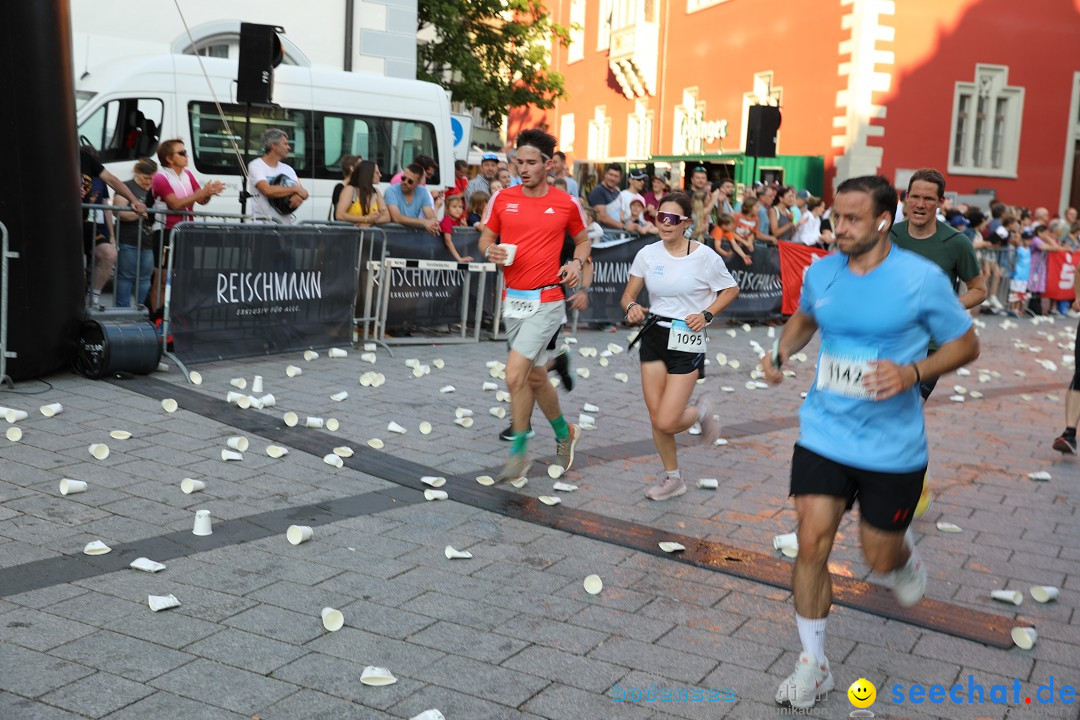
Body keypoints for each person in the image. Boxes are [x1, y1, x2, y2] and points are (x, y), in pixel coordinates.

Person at [763, 175, 979, 711]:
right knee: (812, 543)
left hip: (892, 447)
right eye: (837, 217)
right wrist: (780, 353)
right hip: (824, 432)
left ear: (884, 221)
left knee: (878, 555)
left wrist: (912, 373)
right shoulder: (823, 272)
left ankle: (902, 560)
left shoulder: (920, 279)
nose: (841, 227)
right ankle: (814, 663)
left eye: (854, 218)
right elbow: (806, 318)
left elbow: (967, 343)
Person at [478, 128, 590, 482]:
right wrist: (488, 251)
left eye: (530, 163)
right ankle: (565, 433)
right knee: (536, 376)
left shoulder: (565, 203)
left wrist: (575, 264)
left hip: (549, 299)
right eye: (518, 162)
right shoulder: (502, 198)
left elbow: (584, 241)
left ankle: (518, 452)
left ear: (548, 164)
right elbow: (486, 236)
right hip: (514, 300)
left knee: (514, 374)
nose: (522, 169)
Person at [621, 192, 739, 501]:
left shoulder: (705, 256)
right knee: (655, 414)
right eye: (660, 216)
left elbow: (730, 289)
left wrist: (706, 314)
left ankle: (701, 410)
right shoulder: (647, 254)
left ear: (686, 223)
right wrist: (632, 306)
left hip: (687, 337)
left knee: (667, 419)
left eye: (672, 219)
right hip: (654, 335)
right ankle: (673, 478)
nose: (664, 223)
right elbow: (628, 294)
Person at [889, 168, 985, 517]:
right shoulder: (891, 236)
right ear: (905, 199)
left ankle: (914, 487)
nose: (920, 204)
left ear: (940, 202)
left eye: (929, 198)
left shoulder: (955, 242)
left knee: (906, 412)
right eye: (915, 196)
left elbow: (979, 289)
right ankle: (914, 475)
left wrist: (946, 307)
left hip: (931, 348)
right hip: (889, 342)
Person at [148, 138, 225, 314]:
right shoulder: (161, 177)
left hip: (186, 231)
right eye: (181, 153)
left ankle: (178, 316)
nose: (186, 155)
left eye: (185, 152)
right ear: (169, 158)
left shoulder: (188, 175)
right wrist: (202, 193)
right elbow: (175, 204)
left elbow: (201, 200)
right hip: (166, 232)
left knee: (185, 278)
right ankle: (157, 318)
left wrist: (209, 193)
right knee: (162, 278)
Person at [80, 147, 148, 308]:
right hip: (62, 222)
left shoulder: (85, 158)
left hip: (86, 223)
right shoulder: (60, 157)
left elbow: (112, 180)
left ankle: (93, 298)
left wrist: (134, 201)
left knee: (109, 253)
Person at [112, 157, 158, 308]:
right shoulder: (127, 187)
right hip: (128, 239)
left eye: (152, 178)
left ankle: (142, 311)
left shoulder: (154, 189)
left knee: (145, 278)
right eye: (146, 178)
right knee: (125, 277)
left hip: (149, 241)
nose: (149, 182)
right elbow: (118, 212)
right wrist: (140, 214)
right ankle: (122, 312)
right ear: (137, 173)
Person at [248, 128, 307, 224]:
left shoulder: (288, 169)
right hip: (263, 227)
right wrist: (295, 190)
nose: (289, 147)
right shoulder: (256, 165)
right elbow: (267, 190)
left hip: (285, 226)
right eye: (285, 144)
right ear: (274, 146)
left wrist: (299, 197)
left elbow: (304, 193)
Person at [384, 162, 439, 235]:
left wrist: (433, 222)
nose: (405, 182)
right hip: (392, 236)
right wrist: (424, 222)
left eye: (410, 181)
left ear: (418, 183)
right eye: (403, 178)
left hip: (412, 237)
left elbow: (429, 213)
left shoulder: (422, 191)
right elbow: (396, 218)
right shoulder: (391, 191)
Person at [335, 160, 389, 226]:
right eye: (377, 173)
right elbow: (340, 215)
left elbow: (386, 217)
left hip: (370, 235)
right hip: (350, 234)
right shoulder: (350, 189)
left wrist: (370, 222)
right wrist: (365, 219)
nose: (380, 175)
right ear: (367, 174)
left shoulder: (376, 192)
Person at [587, 163, 624, 230]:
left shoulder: (617, 192)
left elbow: (620, 212)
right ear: (605, 174)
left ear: (620, 179)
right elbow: (602, 217)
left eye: (616, 176)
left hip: (617, 236)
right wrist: (624, 227)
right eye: (610, 175)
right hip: (603, 238)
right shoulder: (598, 191)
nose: (612, 178)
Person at [439, 193, 473, 263]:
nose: (458, 209)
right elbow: (448, 241)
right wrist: (459, 259)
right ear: (447, 209)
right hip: (445, 257)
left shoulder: (459, 221)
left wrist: (464, 228)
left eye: (460, 207)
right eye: (454, 207)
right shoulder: (446, 220)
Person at [330, 154, 360, 220]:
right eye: (360, 166)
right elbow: (338, 214)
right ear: (352, 168)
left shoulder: (359, 187)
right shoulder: (340, 188)